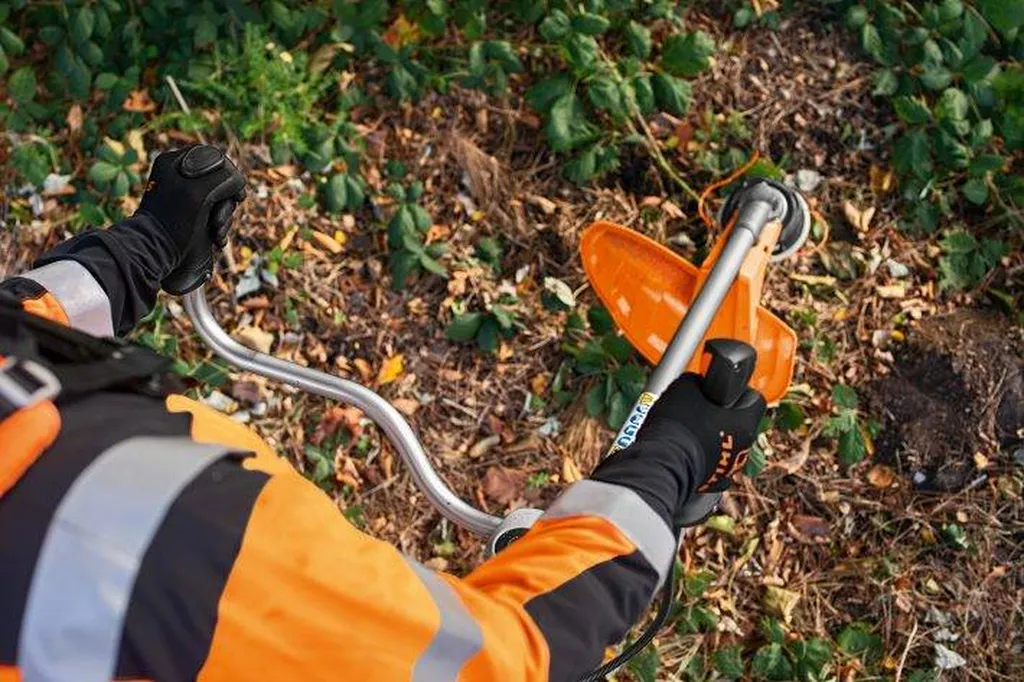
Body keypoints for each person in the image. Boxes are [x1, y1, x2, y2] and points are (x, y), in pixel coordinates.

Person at [0, 145, 765, 682]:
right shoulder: (150, 562)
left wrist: (141, 250)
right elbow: (506, 659)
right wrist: (670, 461)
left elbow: (18, 324)